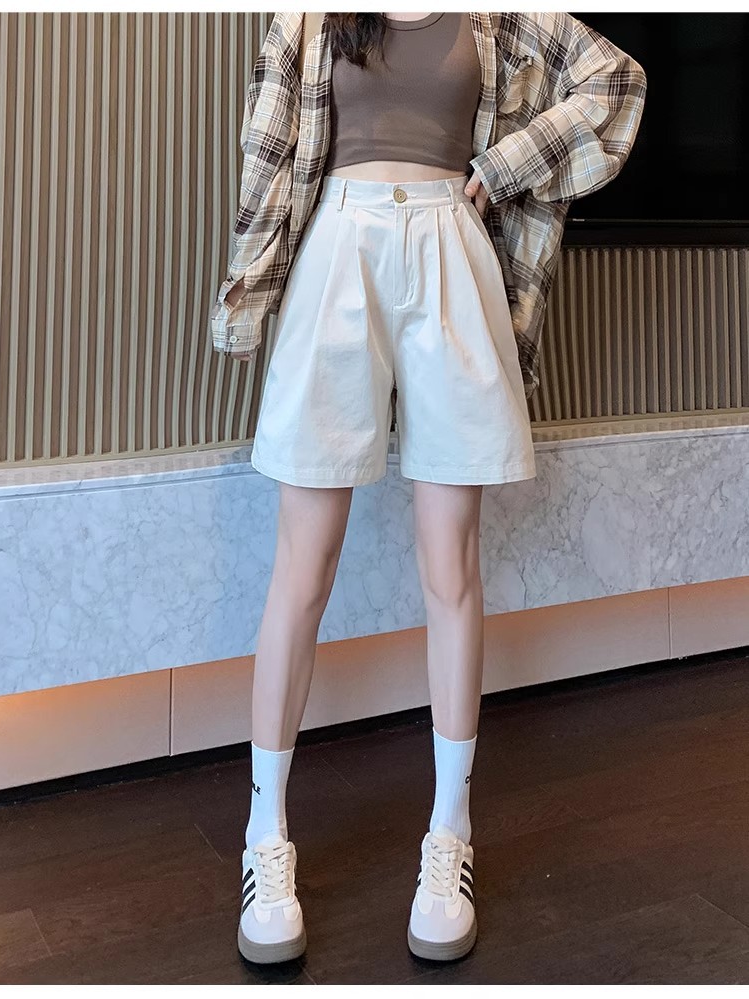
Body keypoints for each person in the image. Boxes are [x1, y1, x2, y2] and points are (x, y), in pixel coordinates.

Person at [213, 12, 646, 966]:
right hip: (339, 248)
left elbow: (616, 81)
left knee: (451, 566)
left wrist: (503, 166)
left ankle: (450, 835)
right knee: (302, 569)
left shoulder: (499, 12)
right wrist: (247, 291)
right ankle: (263, 836)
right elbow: (269, 150)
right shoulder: (311, 13)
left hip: (453, 246)